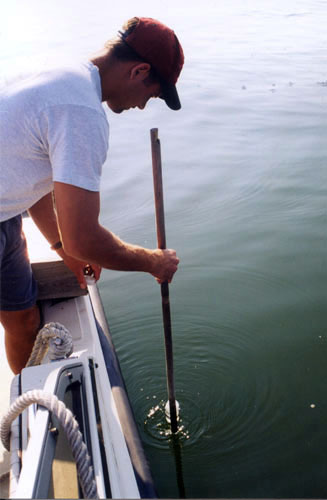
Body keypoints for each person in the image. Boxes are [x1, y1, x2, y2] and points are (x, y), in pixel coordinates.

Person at [0, 17, 184, 374]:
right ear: (139, 71)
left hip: (7, 213)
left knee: (23, 319)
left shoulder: (61, 70)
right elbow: (84, 238)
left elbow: (34, 177)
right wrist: (153, 262)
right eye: (152, 94)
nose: (144, 106)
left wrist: (59, 246)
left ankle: (23, 415)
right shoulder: (82, 112)